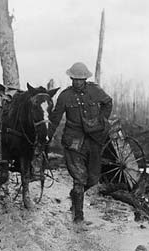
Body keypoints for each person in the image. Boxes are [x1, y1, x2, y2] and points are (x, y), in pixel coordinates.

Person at [49, 62, 113, 223]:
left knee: (93, 178)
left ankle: (76, 194)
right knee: (79, 177)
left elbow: (108, 102)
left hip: (94, 140)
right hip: (73, 141)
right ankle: (79, 214)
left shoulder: (95, 90)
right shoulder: (65, 96)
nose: (77, 82)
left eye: (81, 79)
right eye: (75, 79)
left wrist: (100, 121)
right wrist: (47, 137)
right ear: (71, 78)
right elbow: (55, 118)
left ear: (85, 79)